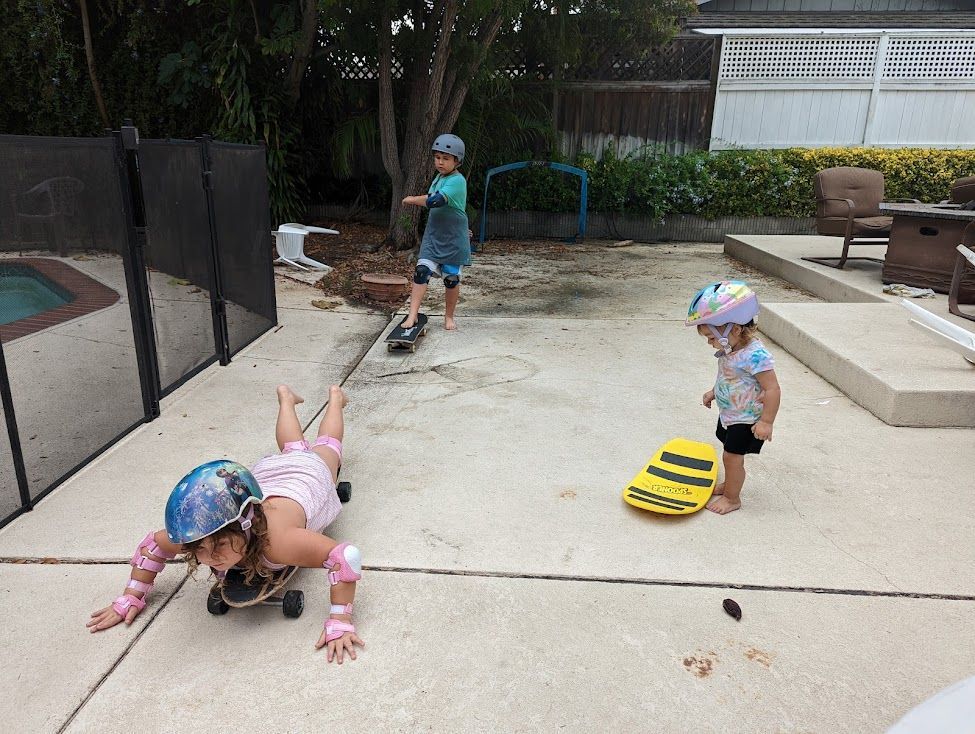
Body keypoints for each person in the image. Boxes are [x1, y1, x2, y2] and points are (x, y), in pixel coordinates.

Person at [87, 385, 365, 664]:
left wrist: (340, 621)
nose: (211, 557)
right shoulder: (203, 531)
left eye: (219, 544)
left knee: (326, 450)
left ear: (248, 526)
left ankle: (335, 399)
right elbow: (153, 546)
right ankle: (286, 400)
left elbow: (344, 558)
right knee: (291, 448)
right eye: (200, 550)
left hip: (307, 480)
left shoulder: (278, 542)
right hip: (265, 480)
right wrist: (130, 598)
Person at [686, 281, 781, 515]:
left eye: (711, 337)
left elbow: (773, 389)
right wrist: (713, 392)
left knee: (732, 457)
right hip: (731, 414)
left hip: (747, 419)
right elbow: (729, 378)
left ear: (735, 329)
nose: (709, 343)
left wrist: (766, 421)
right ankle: (730, 484)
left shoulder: (756, 355)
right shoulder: (732, 350)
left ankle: (732, 498)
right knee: (728, 450)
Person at [399, 133, 470, 332]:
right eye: (437, 157)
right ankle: (412, 315)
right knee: (421, 272)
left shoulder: (457, 181)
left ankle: (448, 316)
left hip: (453, 239)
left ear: (457, 161)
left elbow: (435, 201)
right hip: (434, 235)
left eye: (446, 158)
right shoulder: (439, 178)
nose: (440, 162)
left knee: (451, 279)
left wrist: (413, 199)